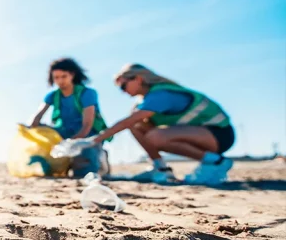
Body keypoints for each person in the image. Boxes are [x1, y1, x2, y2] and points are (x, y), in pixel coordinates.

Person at [89, 64, 235, 185]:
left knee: (154, 135)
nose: (123, 91)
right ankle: (160, 168)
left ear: (138, 79)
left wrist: (94, 140)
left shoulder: (161, 95)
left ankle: (216, 162)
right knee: (137, 125)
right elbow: (133, 122)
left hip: (220, 134)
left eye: (123, 86)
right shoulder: (144, 102)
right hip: (200, 134)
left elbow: (127, 121)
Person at [28, 58, 109, 177]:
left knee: (84, 173)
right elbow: (37, 116)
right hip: (63, 133)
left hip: (85, 135)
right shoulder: (52, 95)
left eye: (64, 76)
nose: (60, 81)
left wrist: (71, 143)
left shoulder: (87, 93)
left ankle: (100, 156)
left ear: (72, 75)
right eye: (56, 77)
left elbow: (87, 124)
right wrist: (32, 127)